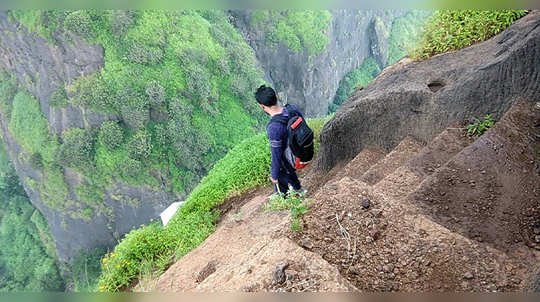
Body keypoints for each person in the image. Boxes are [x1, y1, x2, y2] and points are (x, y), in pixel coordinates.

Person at [254, 85, 306, 197]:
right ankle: (298, 188)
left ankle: (283, 197)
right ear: (276, 97)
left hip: (293, 157)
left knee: (280, 169)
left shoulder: (274, 127)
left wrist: (274, 175)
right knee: (285, 165)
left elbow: (276, 154)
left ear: (262, 106)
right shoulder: (292, 109)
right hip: (303, 149)